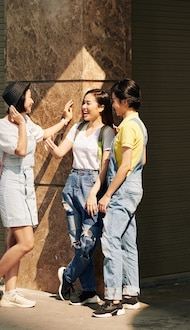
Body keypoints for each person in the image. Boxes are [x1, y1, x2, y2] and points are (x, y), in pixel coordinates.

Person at [0, 81, 73, 309]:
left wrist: (64, 121)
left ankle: (10, 292)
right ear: (19, 100)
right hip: (11, 187)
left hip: (26, 188)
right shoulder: (0, 126)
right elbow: (20, 150)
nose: (32, 101)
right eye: (29, 97)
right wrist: (21, 124)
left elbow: (42, 134)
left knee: (14, 240)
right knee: (27, 243)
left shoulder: (28, 122)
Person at [45, 89, 116, 306]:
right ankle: (88, 291)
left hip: (92, 184)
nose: (84, 108)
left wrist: (95, 192)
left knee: (88, 241)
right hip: (72, 183)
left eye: (89, 104)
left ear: (101, 107)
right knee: (78, 243)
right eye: (83, 103)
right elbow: (59, 153)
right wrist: (64, 122)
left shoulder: (107, 132)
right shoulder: (78, 127)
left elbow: (104, 167)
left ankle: (67, 276)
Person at [92, 79, 148, 318]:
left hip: (122, 190)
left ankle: (113, 299)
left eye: (115, 101)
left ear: (125, 102)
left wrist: (107, 194)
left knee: (111, 241)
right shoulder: (140, 126)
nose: (114, 106)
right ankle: (131, 293)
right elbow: (141, 160)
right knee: (127, 240)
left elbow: (124, 167)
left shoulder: (127, 127)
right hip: (135, 188)